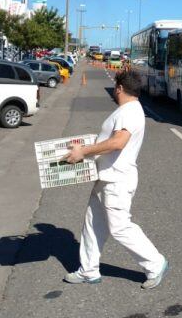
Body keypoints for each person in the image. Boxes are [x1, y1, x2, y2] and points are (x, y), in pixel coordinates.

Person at [63, 69, 168, 288]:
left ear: (120, 88)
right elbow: (109, 141)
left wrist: (84, 152)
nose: (113, 91)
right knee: (92, 226)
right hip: (107, 177)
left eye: (115, 88)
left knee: (120, 227)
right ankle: (88, 270)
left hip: (117, 180)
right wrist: (87, 149)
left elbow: (118, 142)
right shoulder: (128, 110)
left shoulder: (129, 112)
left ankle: (155, 263)